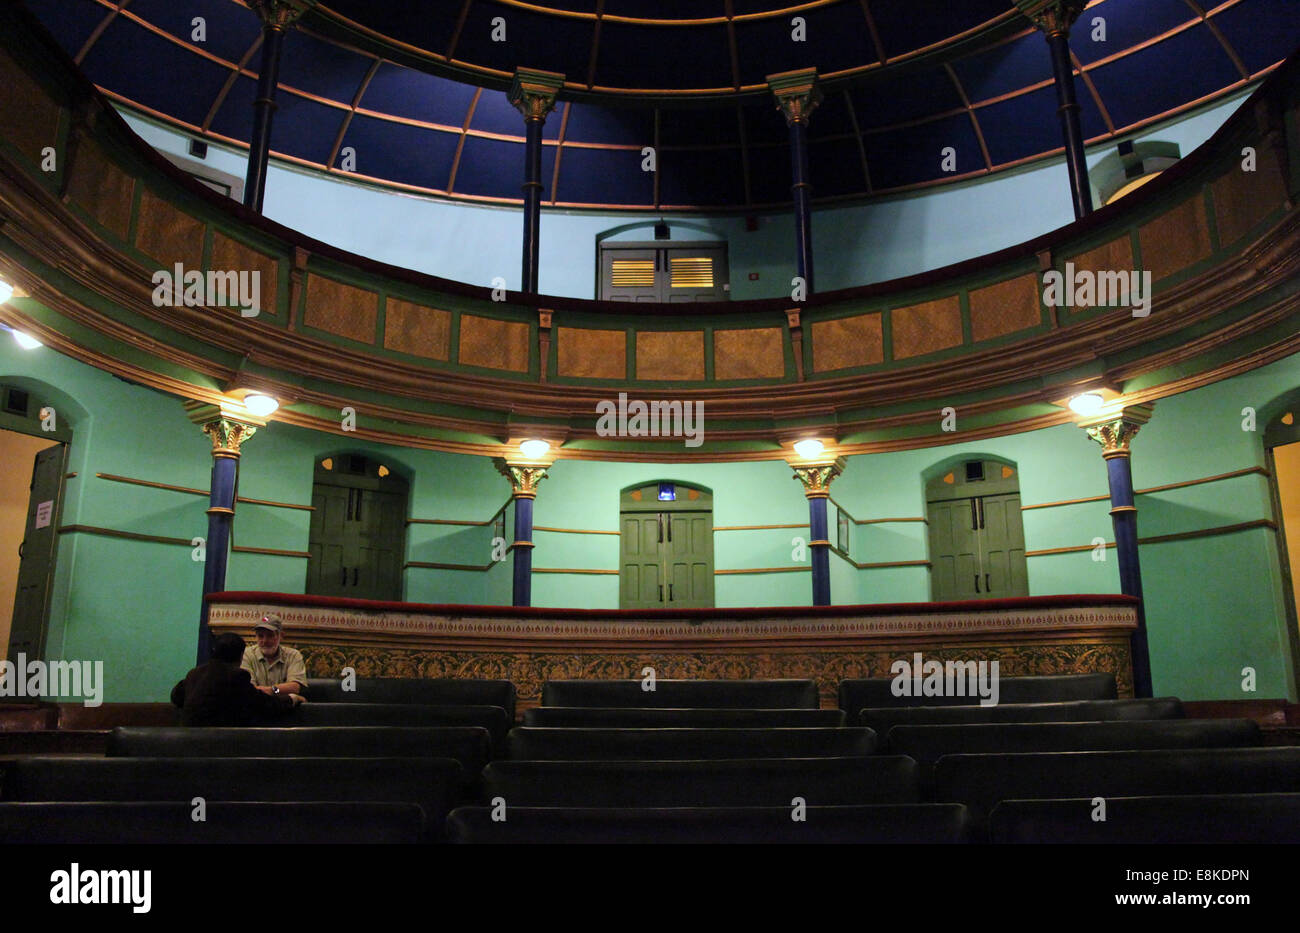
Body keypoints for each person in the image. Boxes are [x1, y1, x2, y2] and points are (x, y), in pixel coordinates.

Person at [171, 632, 304, 726]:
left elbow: (175, 696)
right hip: (220, 744)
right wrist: (292, 699)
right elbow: (264, 704)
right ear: (240, 656)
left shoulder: (194, 673)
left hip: (188, 741)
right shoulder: (236, 676)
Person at [241, 615, 308, 698]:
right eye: (260, 636)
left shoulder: (293, 655)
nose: (265, 641)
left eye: (270, 635)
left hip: (284, 707)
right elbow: (249, 689)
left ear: (281, 636)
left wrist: (272, 690)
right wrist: (278, 690)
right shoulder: (247, 655)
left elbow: (295, 687)